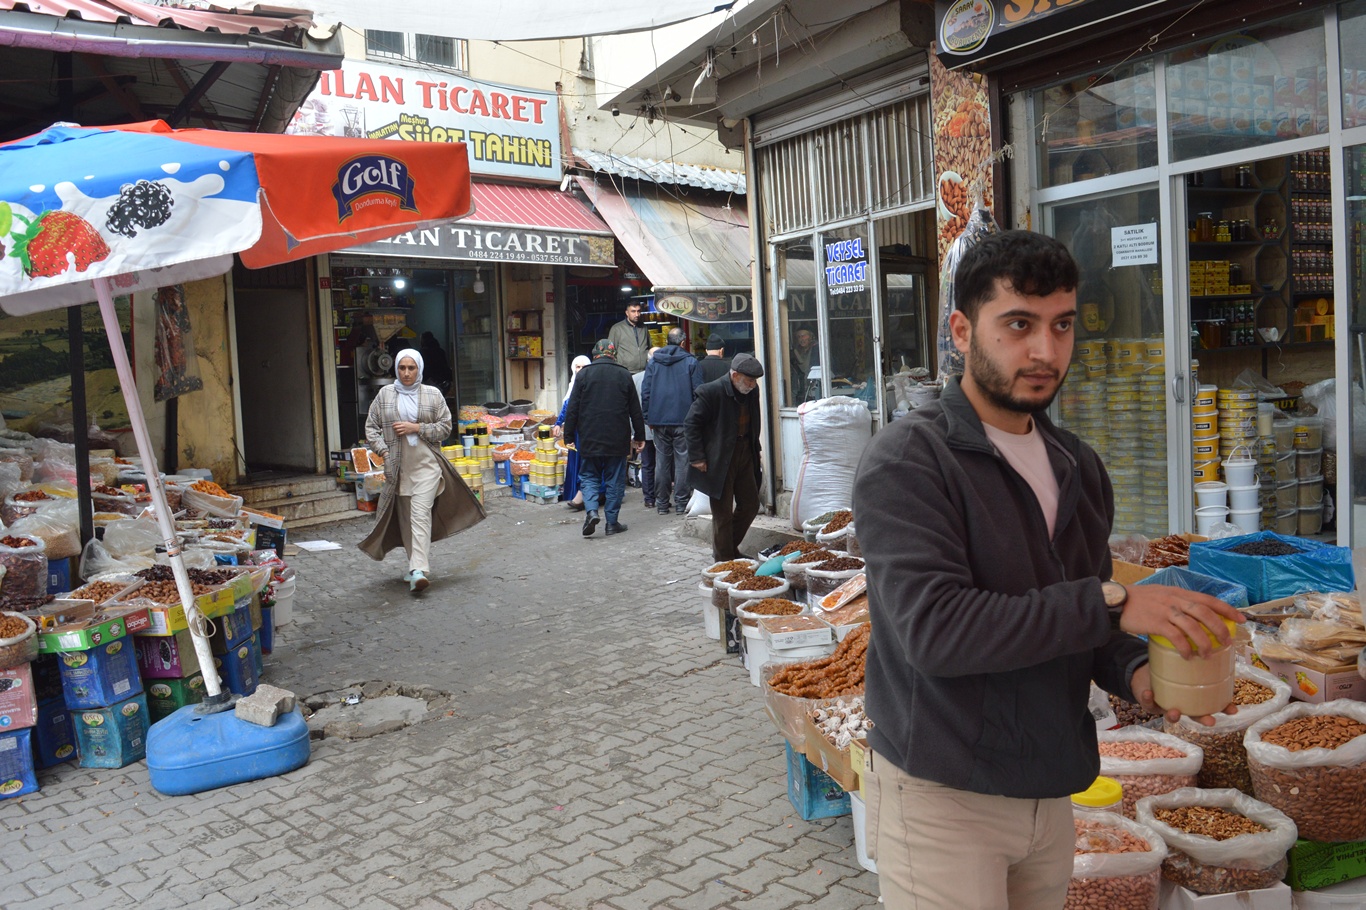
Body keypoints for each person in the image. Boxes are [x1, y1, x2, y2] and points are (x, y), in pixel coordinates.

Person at [851, 230, 1244, 910]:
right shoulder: (911, 461)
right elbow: (937, 633)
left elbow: (1081, 621)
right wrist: (1115, 603)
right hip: (945, 795)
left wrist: (1138, 673)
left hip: (1050, 787)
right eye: (1018, 325)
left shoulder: (1076, 465)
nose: (1044, 351)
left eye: (1062, 326)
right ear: (962, 329)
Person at [359, 349, 485, 593]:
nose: (406, 373)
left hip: (426, 465)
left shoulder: (432, 395)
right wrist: (383, 451)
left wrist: (416, 427)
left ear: (419, 369)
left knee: (419, 513)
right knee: (406, 517)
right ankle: (413, 565)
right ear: (396, 369)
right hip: (398, 465)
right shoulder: (385, 395)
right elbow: (371, 427)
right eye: (402, 368)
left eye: (411, 368)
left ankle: (419, 570)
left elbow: (445, 427)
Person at [684, 353, 764, 560]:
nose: (753, 385)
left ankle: (728, 550)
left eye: (755, 381)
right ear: (735, 375)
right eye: (749, 380)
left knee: (750, 505)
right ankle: (724, 558)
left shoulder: (751, 391)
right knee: (722, 512)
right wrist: (697, 458)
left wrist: (756, 448)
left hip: (745, 452)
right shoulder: (711, 392)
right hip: (719, 458)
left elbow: (754, 421)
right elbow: (691, 424)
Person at [562, 339, 646, 537]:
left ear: (594, 355)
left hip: (589, 436)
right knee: (614, 480)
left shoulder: (583, 375)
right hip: (617, 438)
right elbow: (635, 410)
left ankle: (591, 511)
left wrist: (568, 436)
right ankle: (611, 523)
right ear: (613, 354)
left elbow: (572, 408)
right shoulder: (624, 374)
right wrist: (640, 437)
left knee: (589, 476)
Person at [641, 327, 701, 515]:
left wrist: (647, 417)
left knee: (662, 461)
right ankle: (681, 502)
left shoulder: (654, 362)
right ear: (683, 343)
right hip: (683, 419)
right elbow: (698, 393)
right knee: (682, 460)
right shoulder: (691, 361)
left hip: (658, 420)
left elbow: (646, 392)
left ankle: (661, 504)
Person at [554, 354, 591, 511]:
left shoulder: (592, 384)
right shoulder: (572, 386)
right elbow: (567, 408)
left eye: (584, 367)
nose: (580, 370)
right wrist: (558, 423)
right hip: (577, 432)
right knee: (578, 459)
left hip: (590, 429)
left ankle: (589, 495)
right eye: (578, 366)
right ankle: (578, 493)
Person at [632, 349, 660, 508]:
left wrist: (634, 433)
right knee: (663, 463)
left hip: (644, 429)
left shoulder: (636, 379)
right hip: (659, 429)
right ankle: (661, 495)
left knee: (648, 464)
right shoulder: (664, 376)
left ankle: (649, 498)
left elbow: (632, 409)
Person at [607, 300, 651, 372]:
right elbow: (610, 351)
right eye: (633, 311)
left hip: (644, 371)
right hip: (625, 372)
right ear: (627, 313)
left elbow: (649, 347)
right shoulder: (617, 328)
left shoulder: (644, 327)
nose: (636, 314)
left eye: (638, 311)